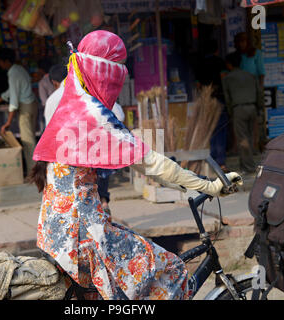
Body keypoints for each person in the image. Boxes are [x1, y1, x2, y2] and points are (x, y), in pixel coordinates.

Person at [29, 30, 242, 300]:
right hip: (84, 236)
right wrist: (207, 185)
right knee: (171, 269)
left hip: (54, 232)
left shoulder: (68, 105)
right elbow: (151, 164)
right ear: (103, 73)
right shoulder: (92, 114)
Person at [44, 63, 125, 214]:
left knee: (74, 201)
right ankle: (103, 203)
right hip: (95, 154)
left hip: (68, 159)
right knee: (95, 186)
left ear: (55, 83)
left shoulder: (53, 99)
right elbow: (119, 115)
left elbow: (50, 134)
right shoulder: (91, 91)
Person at [0, 48, 37, 173]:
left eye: (0, 61)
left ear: (6, 61)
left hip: (25, 108)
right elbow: (16, 90)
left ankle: (34, 172)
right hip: (32, 105)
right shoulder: (20, 69)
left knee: (28, 142)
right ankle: (36, 171)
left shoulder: (12, 73)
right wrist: (3, 96)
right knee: (31, 139)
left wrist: (8, 122)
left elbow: (14, 100)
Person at [222, 52, 263, 175]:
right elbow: (259, 93)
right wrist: (259, 108)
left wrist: (231, 113)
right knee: (249, 137)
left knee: (242, 139)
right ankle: (246, 164)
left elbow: (227, 98)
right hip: (252, 108)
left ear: (229, 64)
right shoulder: (251, 76)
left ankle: (249, 167)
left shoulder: (228, 78)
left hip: (238, 109)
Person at [195, 39, 229, 172]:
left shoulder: (200, 63)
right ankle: (221, 163)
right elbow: (224, 80)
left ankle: (212, 160)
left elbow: (197, 84)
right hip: (219, 100)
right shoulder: (220, 62)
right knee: (220, 130)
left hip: (206, 101)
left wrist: (204, 94)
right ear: (216, 50)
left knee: (210, 131)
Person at [37, 58, 55, 134]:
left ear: (41, 70)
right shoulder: (58, 78)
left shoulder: (42, 82)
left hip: (50, 112)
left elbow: (44, 102)